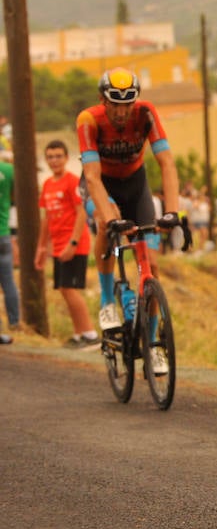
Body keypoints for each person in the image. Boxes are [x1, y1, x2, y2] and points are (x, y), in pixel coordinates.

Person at [76, 68, 181, 347]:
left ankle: (153, 342)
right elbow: (91, 177)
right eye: (115, 103)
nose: (122, 111)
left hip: (135, 185)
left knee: (153, 266)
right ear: (102, 99)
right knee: (104, 221)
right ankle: (108, 298)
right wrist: (111, 218)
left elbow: (167, 162)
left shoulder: (146, 113)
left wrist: (172, 211)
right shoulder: (88, 120)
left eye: (127, 103)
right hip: (100, 183)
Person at [36, 140, 99, 347]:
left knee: (70, 289)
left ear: (65, 158)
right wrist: (42, 246)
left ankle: (90, 334)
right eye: (50, 156)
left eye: (58, 156)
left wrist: (73, 243)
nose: (54, 160)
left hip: (74, 243)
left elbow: (82, 213)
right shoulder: (47, 184)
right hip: (58, 244)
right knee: (64, 289)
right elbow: (46, 218)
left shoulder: (72, 181)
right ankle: (78, 334)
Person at [0, 150, 17, 343]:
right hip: (3, 233)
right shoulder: (9, 170)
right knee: (8, 281)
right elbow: (15, 196)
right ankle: (15, 322)